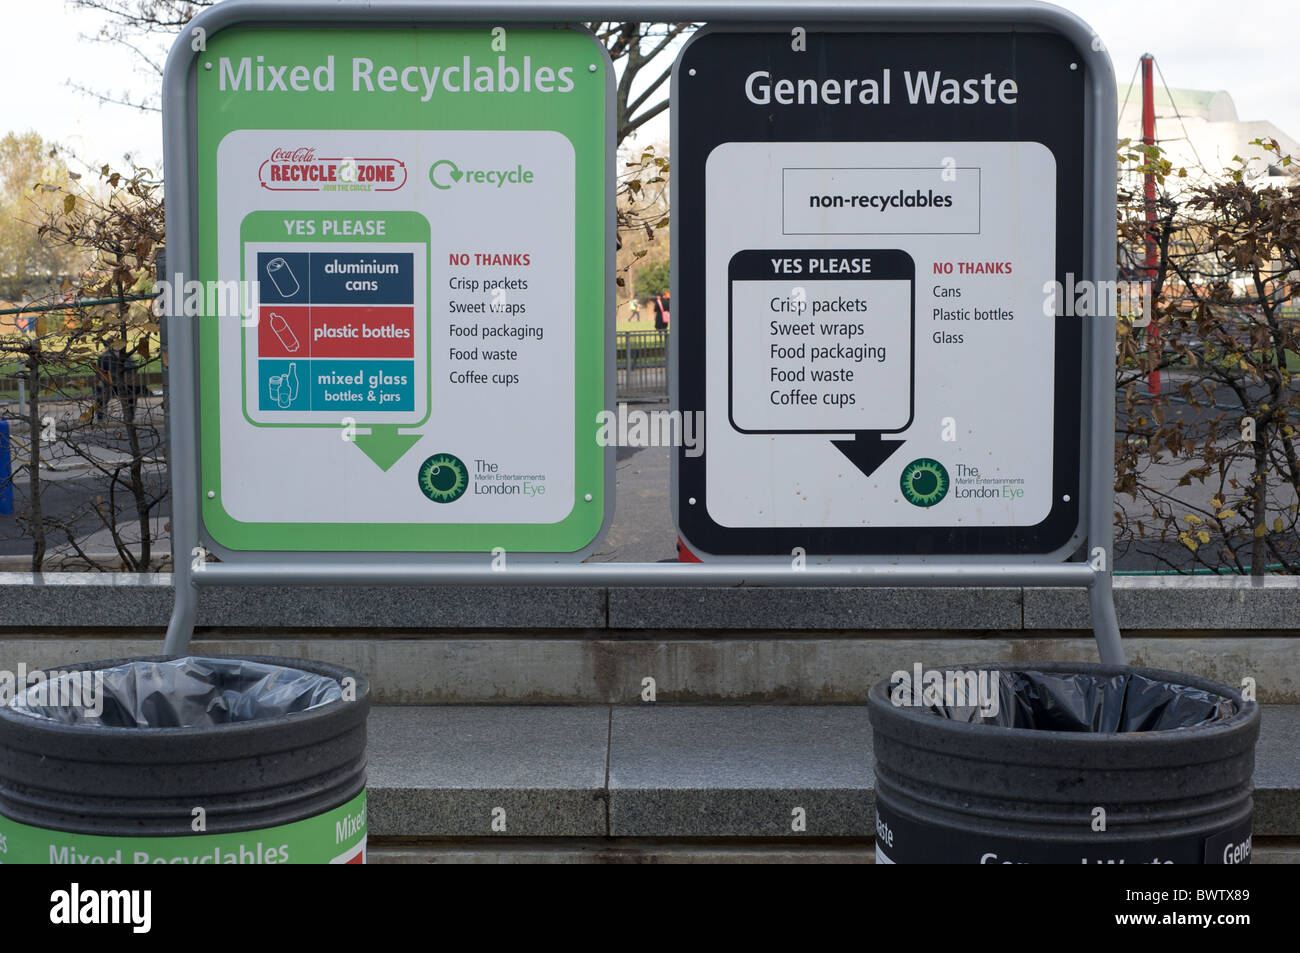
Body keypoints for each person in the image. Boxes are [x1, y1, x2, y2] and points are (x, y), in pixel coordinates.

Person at [94, 347, 140, 423]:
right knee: (132, 391)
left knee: (100, 391)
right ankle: (130, 416)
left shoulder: (103, 357)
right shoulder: (128, 356)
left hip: (110, 386)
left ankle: (100, 417)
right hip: (124, 385)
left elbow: (100, 372)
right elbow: (134, 370)